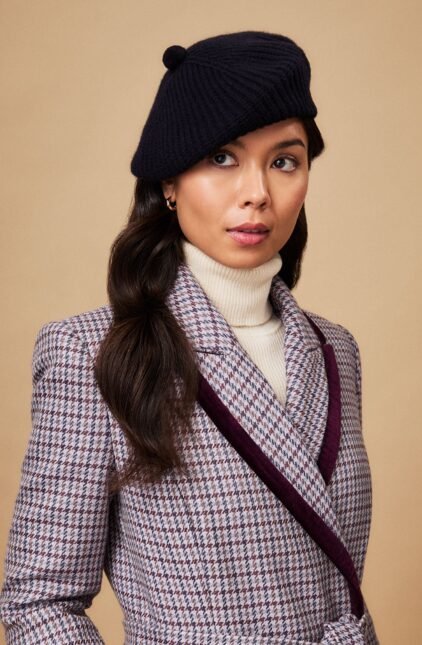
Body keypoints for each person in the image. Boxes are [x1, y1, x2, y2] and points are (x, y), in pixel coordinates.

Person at [0, 30, 379, 644]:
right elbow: (41, 604)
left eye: (284, 161)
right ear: (169, 183)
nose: (257, 193)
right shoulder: (91, 354)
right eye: (222, 158)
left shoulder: (336, 351)